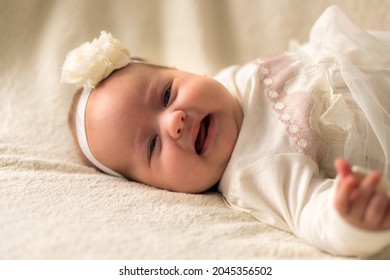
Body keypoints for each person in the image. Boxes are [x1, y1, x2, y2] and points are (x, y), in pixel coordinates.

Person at [61, 6, 390, 257]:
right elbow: (311, 214)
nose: (173, 122)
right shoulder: (253, 172)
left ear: (182, 71)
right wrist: (350, 216)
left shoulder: (228, 82)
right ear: (158, 187)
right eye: (151, 146)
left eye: (166, 96)